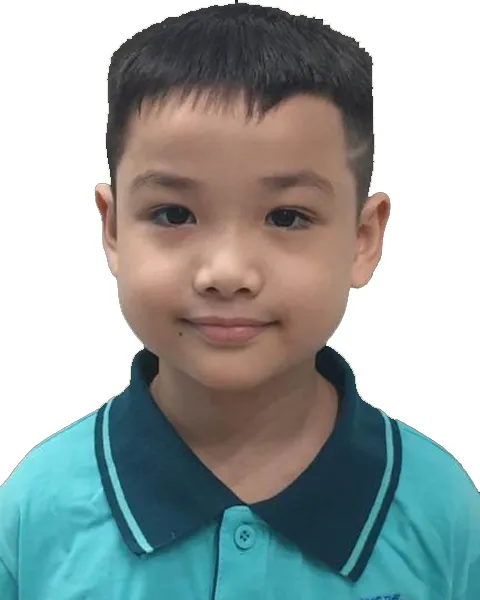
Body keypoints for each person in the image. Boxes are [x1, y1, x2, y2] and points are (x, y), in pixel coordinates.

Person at [1, 3, 478, 599]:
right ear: (114, 228)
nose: (226, 273)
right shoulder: (37, 512)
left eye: (287, 217)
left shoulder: (442, 512)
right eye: (173, 214)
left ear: (363, 238)